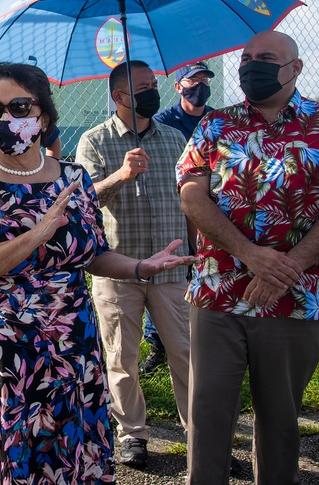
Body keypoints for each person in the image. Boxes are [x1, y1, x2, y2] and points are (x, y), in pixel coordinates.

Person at [0, 62, 190, 484]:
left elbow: (92, 254)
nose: (5, 118)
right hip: (0, 360)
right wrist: (35, 234)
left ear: (44, 117)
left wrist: (141, 267)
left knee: (66, 459)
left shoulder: (74, 179)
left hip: (69, 350)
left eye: (18, 106)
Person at [177, 30, 319, 485]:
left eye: (265, 58)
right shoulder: (216, 125)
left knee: (280, 415)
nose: (252, 65)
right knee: (207, 411)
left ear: (295, 68)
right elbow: (192, 194)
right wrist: (251, 255)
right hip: (218, 292)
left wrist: (287, 267)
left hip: (297, 295)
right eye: (246, 58)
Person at [75, 59, 192, 469]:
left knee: (186, 354)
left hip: (173, 269)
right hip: (119, 269)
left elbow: (191, 200)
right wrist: (122, 174)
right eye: (143, 86)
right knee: (121, 358)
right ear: (119, 96)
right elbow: (84, 202)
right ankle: (133, 435)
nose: (152, 91)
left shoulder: (175, 139)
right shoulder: (95, 141)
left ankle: (200, 435)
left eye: (153, 84)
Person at [140, 60, 216, 376]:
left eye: (205, 80)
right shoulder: (164, 122)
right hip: (172, 209)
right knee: (167, 271)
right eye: (193, 80)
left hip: (211, 208)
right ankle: (158, 343)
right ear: (179, 86)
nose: (200, 86)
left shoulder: (216, 120)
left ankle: (207, 339)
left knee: (206, 271)